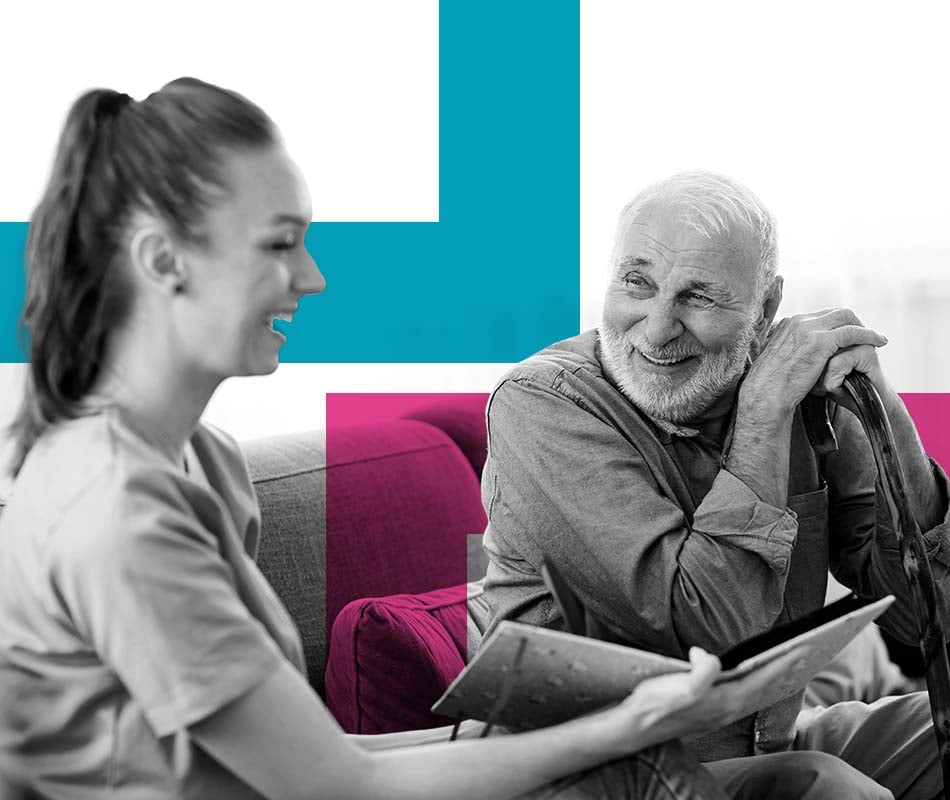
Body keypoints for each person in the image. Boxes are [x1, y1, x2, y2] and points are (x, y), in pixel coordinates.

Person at [0, 82, 828, 800]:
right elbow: (338, 789)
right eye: (280, 244)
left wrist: (523, 739)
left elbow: (314, 761)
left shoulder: (202, 461)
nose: (312, 277)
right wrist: (628, 727)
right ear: (162, 260)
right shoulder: (117, 512)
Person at [479, 171, 949, 799]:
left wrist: (881, 404)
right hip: (600, 777)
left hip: (766, 743)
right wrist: (763, 413)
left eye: (698, 296)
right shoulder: (543, 406)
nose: (656, 328)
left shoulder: (796, 388)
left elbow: (926, 616)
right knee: (829, 788)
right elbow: (711, 628)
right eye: (637, 282)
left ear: (766, 309)